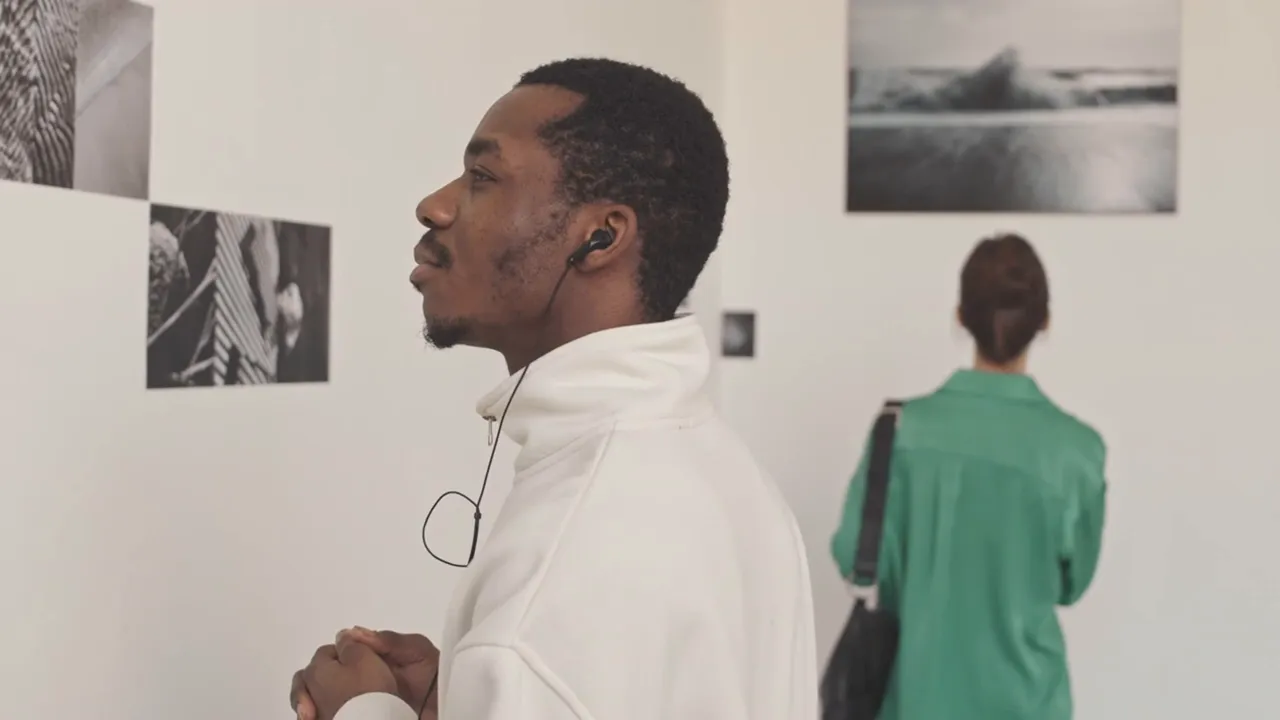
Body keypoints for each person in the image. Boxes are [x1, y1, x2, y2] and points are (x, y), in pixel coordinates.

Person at [289, 58, 818, 720]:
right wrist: (475, 696)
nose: (435, 205)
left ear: (600, 237)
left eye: (483, 177)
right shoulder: (724, 470)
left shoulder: (569, 565)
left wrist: (363, 710)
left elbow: (559, 641)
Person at [829, 233, 1107, 720]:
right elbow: (1071, 586)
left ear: (961, 316)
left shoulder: (899, 430)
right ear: (1044, 321)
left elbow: (854, 556)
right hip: (1030, 703)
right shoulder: (1078, 450)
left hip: (914, 701)